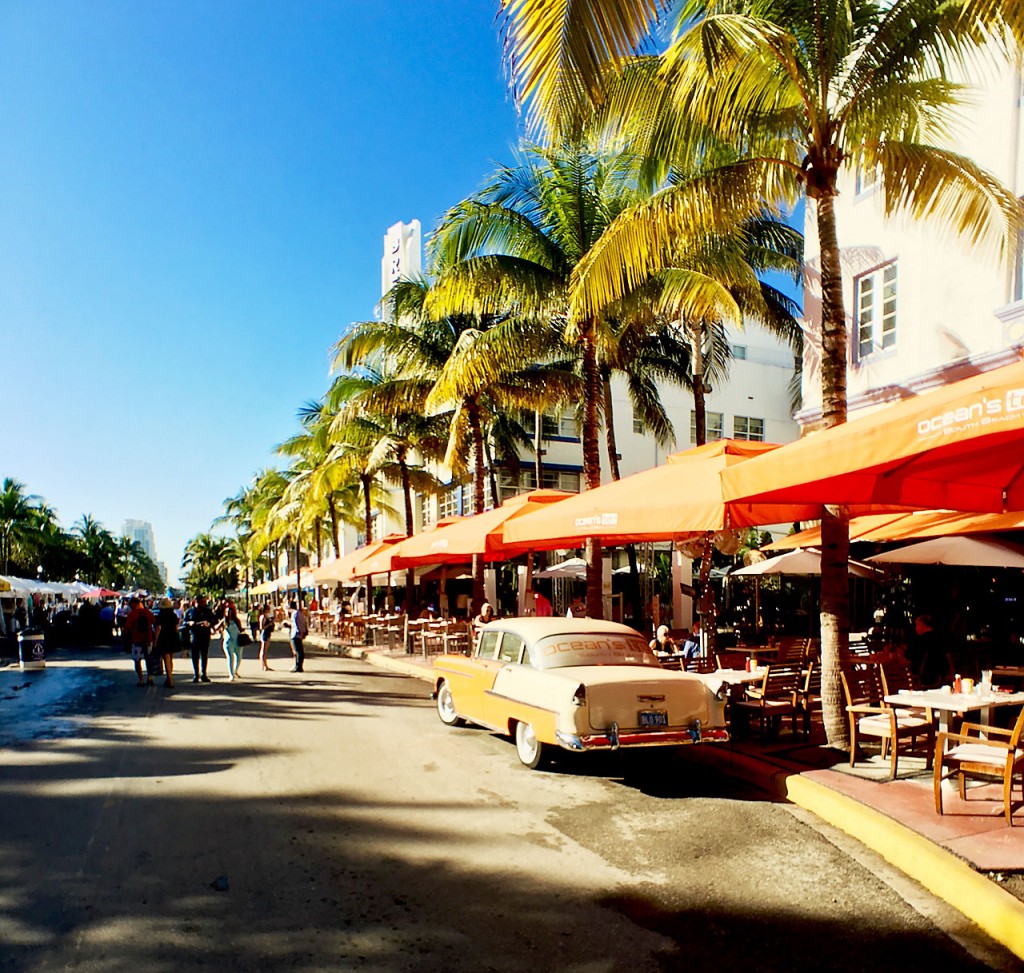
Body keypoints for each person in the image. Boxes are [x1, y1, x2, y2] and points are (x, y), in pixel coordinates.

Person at [907, 614, 946, 688]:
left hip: (921, 678)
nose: (916, 628)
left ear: (923, 625)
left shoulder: (919, 641)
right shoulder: (940, 639)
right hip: (939, 677)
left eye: (917, 625)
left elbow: (908, 659)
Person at [124, 595, 156, 686]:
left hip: (136, 640)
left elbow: (127, 628)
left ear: (133, 604)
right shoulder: (148, 613)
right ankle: (150, 677)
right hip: (148, 640)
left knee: (137, 660)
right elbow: (155, 623)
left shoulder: (132, 614)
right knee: (148, 659)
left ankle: (141, 679)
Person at [152, 597, 180, 688]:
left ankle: (170, 679)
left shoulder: (160, 616)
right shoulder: (173, 615)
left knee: (166, 658)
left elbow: (158, 629)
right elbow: (176, 628)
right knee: (170, 658)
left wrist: (155, 641)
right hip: (173, 637)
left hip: (164, 637)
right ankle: (169, 678)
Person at [188, 594, 217, 682]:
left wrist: (209, 624)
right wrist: (189, 623)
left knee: (204, 655)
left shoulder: (208, 611)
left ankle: (203, 674)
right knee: (195, 656)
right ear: (194, 602)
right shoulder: (190, 612)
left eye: (202, 602)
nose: (200, 603)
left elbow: (214, 620)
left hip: (205, 635)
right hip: (194, 635)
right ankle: (196, 674)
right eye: (198, 601)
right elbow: (184, 622)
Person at [216, 603, 246, 681]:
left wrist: (242, 630)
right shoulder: (224, 621)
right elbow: (216, 628)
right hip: (228, 642)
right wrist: (218, 628)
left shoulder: (236, 620)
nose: (229, 613)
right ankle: (231, 675)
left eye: (230, 611)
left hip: (238, 641)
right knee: (230, 658)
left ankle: (235, 671)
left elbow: (240, 629)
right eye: (227, 612)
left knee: (238, 658)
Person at [287, 599, 308, 672]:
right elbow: (304, 623)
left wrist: (299, 631)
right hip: (299, 633)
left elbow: (296, 624)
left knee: (297, 651)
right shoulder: (300, 613)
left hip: (295, 633)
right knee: (300, 651)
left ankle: (298, 666)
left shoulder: (294, 614)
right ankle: (298, 665)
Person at [258, 602, 275, 671]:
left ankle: (265, 665)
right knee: (263, 650)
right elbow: (262, 627)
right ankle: (264, 665)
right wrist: (269, 624)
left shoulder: (266, 616)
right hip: (265, 633)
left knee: (265, 650)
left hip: (267, 633)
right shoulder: (263, 617)